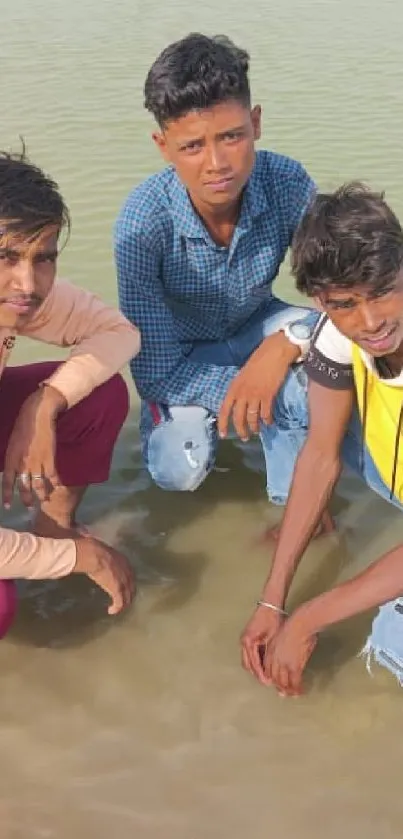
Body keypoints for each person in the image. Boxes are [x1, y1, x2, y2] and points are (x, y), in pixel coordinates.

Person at [115, 32, 323, 507]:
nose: (216, 164)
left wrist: (286, 345)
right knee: (176, 472)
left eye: (231, 136)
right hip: (182, 353)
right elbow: (153, 370)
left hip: (260, 321)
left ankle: (292, 502)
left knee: (331, 370)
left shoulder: (288, 182)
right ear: (163, 146)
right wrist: (248, 384)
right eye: (192, 146)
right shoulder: (142, 223)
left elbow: (343, 295)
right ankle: (182, 422)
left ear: (256, 123)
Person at [241, 182, 403, 695]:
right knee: (293, 395)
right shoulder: (336, 330)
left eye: (383, 291)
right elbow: (319, 456)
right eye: (346, 304)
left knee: (392, 643)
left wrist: (311, 615)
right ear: (319, 300)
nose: (371, 321)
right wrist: (273, 600)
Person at [0, 148, 139, 635]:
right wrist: (81, 558)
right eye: (7, 256)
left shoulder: (22, 297)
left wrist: (42, 405)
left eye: (43, 258)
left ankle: (50, 527)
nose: (27, 283)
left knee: (99, 395)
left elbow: (119, 333)